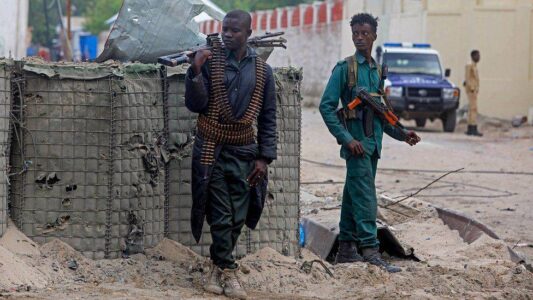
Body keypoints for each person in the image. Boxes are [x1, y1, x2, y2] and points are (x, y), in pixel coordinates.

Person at [184, 9, 277, 299]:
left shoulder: (262, 71)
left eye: (235, 31)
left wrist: (264, 157)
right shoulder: (210, 61)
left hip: (245, 151)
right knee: (221, 214)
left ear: (248, 34)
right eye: (225, 29)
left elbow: (268, 117)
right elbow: (196, 105)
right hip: (211, 148)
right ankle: (229, 270)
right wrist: (196, 72)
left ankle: (216, 267)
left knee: (238, 215)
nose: (227, 34)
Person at [319, 13, 420, 273]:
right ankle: (370, 250)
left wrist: (403, 133)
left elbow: (383, 117)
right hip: (357, 147)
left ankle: (346, 249)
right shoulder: (345, 69)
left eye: (365, 33)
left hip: (373, 146)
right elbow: (327, 107)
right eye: (355, 33)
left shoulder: (376, 72)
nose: (360, 38)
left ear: (374, 35)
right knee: (365, 198)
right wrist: (347, 139)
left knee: (353, 196)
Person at [464, 50, 482, 136]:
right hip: (471, 90)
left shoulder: (474, 65)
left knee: (472, 109)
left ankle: (471, 128)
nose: (479, 57)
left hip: (474, 90)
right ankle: (472, 128)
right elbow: (467, 78)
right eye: (477, 55)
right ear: (473, 56)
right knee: (473, 109)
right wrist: (471, 88)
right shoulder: (469, 65)